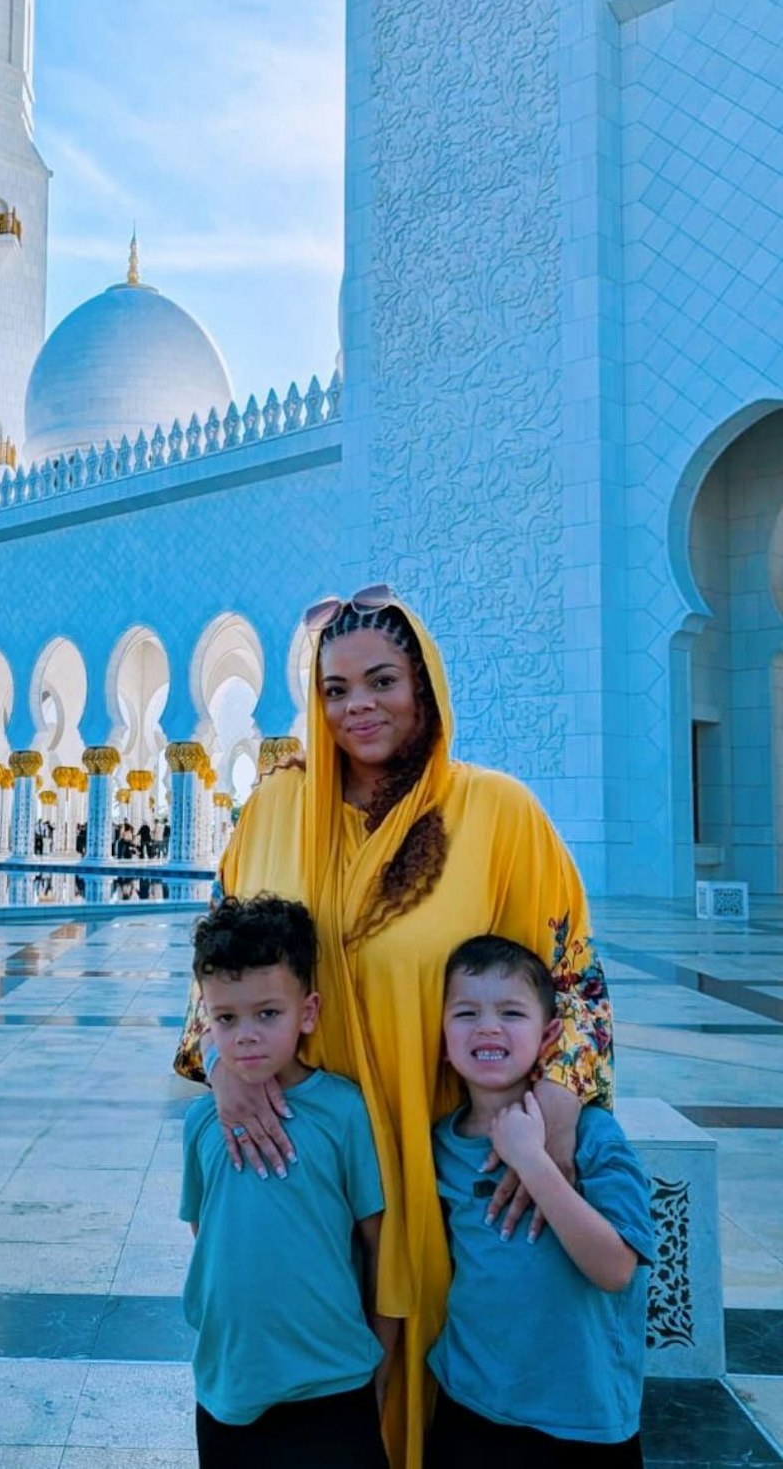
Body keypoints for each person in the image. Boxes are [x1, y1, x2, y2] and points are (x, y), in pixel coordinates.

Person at [172, 588, 614, 1469]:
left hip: (449, 1172)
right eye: (335, 689)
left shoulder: (499, 815)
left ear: (427, 685)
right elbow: (218, 968)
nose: (357, 707)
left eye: (382, 680)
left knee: (450, 1401)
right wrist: (223, 1062)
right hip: (306, 1167)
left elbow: (574, 981)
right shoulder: (273, 812)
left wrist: (559, 1106)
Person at [181, 895, 394, 1468]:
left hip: (333, 1381)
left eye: (267, 1013)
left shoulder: (343, 1113)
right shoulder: (202, 1119)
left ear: (308, 1011)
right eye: (227, 1018)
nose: (246, 1035)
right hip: (230, 1382)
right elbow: (206, 1230)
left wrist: (381, 1365)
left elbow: (379, 1244)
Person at [428, 936, 652, 1466]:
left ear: (550, 1034)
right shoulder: (439, 1145)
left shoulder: (595, 1136)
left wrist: (534, 1161)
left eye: (511, 1012)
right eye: (466, 1013)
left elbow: (616, 1268)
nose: (488, 1027)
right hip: (471, 1405)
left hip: (582, 1420)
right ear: (441, 1041)